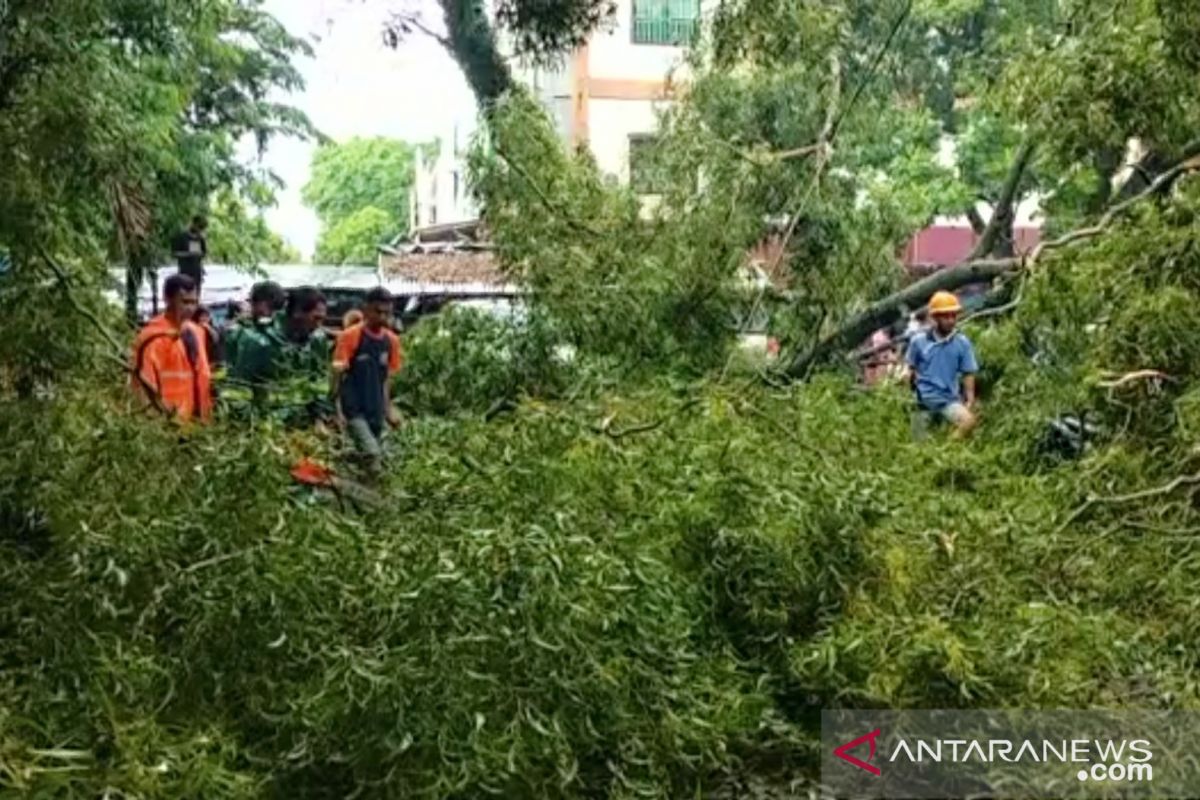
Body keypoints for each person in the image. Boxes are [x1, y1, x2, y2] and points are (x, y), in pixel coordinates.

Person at [230, 286, 332, 426]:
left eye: (322, 319)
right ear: (297, 313)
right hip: (264, 427)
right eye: (316, 318)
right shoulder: (259, 340)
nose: (319, 325)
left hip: (304, 426)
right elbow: (238, 390)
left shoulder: (317, 340)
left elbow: (319, 383)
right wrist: (250, 426)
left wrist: (319, 417)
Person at [332, 288, 403, 477]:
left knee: (380, 457)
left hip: (376, 409)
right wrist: (336, 409)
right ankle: (372, 494)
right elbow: (337, 375)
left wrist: (388, 410)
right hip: (354, 408)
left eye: (387, 313)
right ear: (366, 310)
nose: (382, 317)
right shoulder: (349, 337)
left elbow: (386, 379)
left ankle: (347, 461)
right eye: (377, 311)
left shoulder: (392, 341)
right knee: (372, 455)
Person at [131, 274, 212, 422]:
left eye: (194, 302)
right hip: (167, 424)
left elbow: (203, 378)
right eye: (185, 302)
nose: (190, 308)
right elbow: (143, 388)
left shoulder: (196, 332)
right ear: (168, 299)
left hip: (196, 425)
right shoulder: (152, 337)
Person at [907, 291, 978, 440]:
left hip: (948, 400)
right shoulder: (918, 341)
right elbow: (911, 369)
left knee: (968, 422)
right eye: (946, 316)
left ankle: (947, 448)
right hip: (922, 401)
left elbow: (968, 372)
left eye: (953, 315)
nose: (951, 320)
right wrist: (909, 386)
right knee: (918, 444)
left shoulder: (962, 342)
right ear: (935, 318)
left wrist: (970, 400)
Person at [224, 281, 285, 368]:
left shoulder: (246, 334)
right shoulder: (292, 328)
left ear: (263, 303)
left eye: (252, 302)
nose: (250, 307)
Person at [171, 215, 208, 290]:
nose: (199, 230)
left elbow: (204, 253)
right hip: (184, 272)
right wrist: (188, 254)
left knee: (196, 294)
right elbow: (174, 254)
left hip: (197, 272)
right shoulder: (181, 237)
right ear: (193, 223)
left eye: (201, 228)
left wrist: (199, 255)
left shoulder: (200, 239)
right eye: (199, 227)